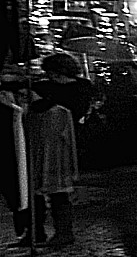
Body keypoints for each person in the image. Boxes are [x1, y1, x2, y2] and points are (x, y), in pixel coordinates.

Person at [20, 53, 94, 247]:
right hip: (42, 140)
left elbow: (68, 108)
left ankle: (63, 231)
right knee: (35, 186)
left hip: (63, 142)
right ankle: (35, 231)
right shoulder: (46, 86)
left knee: (58, 188)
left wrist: (45, 101)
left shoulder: (80, 88)